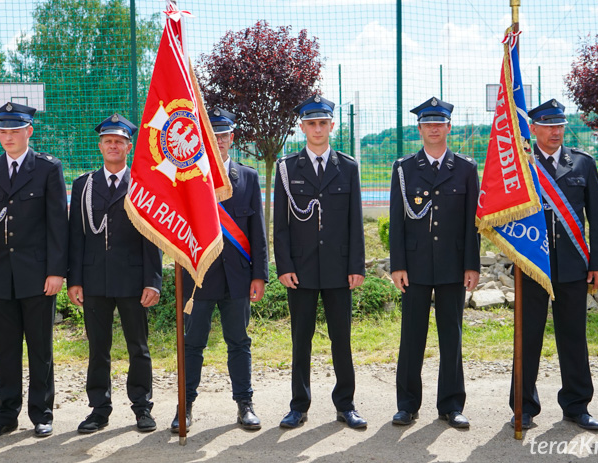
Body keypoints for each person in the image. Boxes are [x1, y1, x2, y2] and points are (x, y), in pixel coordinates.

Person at [0, 102, 69, 439]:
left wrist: (57, 270)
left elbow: (58, 223)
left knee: (40, 347)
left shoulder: (47, 168)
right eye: (3, 131)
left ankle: (42, 413)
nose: (7, 136)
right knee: (5, 349)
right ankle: (5, 414)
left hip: (38, 274)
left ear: (29, 131)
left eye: (14, 130)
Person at [508, 100, 598, 431]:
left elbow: (597, 216)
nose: (555, 131)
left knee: (573, 336)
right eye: (548, 125)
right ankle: (523, 406)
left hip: (572, 266)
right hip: (532, 264)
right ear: (532, 129)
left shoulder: (582, 163)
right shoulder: (520, 165)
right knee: (527, 336)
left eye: (560, 125)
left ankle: (577, 405)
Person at [171, 107, 268, 433]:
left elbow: (258, 232)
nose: (219, 142)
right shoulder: (188, 179)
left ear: (232, 138)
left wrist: (259, 275)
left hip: (238, 277)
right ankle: (184, 408)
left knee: (239, 342)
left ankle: (245, 404)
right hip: (198, 278)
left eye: (224, 136)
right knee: (193, 343)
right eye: (213, 137)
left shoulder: (249, 177)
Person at [274, 94, 367, 430]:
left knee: (341, 339)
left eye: (322, 123)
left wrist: (357, 265)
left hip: (340, 269)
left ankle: (346, 404)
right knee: (302, 339)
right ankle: (299, 406)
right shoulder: (286, 169)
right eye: (311, 123)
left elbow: (356, 222)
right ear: (302, 127)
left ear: (331, 125)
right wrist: (283, 266)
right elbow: (280, 225)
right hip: (300, 270)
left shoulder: (349, 167)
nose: (317, 129)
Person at [68, 114, 162, 433]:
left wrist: (153, 280)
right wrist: (75, 280)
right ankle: (99, 409)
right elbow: (77, 235)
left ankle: (142, 407)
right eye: (108, 141)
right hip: (94, 279)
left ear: (129, 147)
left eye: (119, 141)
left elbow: (152, 237)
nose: (113, 146)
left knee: (138, 346)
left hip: (134, 280)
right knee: (98, 347)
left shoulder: (142, 183)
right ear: (100, 146)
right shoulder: (84, 184)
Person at [388, 97, 479, 429]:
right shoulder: (404, 168)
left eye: (440, 123)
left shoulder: (467, 169)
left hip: (454, 265)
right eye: (428, 124)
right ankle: (407, 404)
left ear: (449, 127)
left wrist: (473, 265)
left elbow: (473, 222)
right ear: (420, 129)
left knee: (451, 337)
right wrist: (397, 264)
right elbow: (396, 220)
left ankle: (452, 404)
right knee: (412, 336)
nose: (434, 129)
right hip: (414, 266)